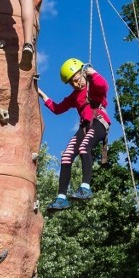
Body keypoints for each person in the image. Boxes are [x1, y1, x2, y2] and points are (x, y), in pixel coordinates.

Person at [38, 59, 110, 212]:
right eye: (72, 83)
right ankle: (61, 198)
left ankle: (85, 188)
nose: (76, 85)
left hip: (99, 122)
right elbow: (58, 109)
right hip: (84, 127)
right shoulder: (75, 96)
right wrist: (40, 93)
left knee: (85, 148)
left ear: (83, 74)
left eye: (77, 80)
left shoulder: (93, 86)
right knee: (66, 156)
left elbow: (104, 86)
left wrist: (93, 73)